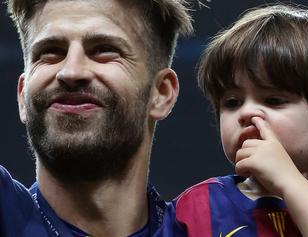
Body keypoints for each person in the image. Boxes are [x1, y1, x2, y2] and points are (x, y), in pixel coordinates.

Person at [3, 0, 193, 236]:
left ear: (161, 93)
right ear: (22, 95)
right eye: (50, 53)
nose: (71, 72)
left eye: (104, 50)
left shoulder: (213, 226)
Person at [174, 4, 308, 237]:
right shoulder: (196, 206)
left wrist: (289, 182)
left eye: (273, 100)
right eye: (232, 102)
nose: (247, 112)